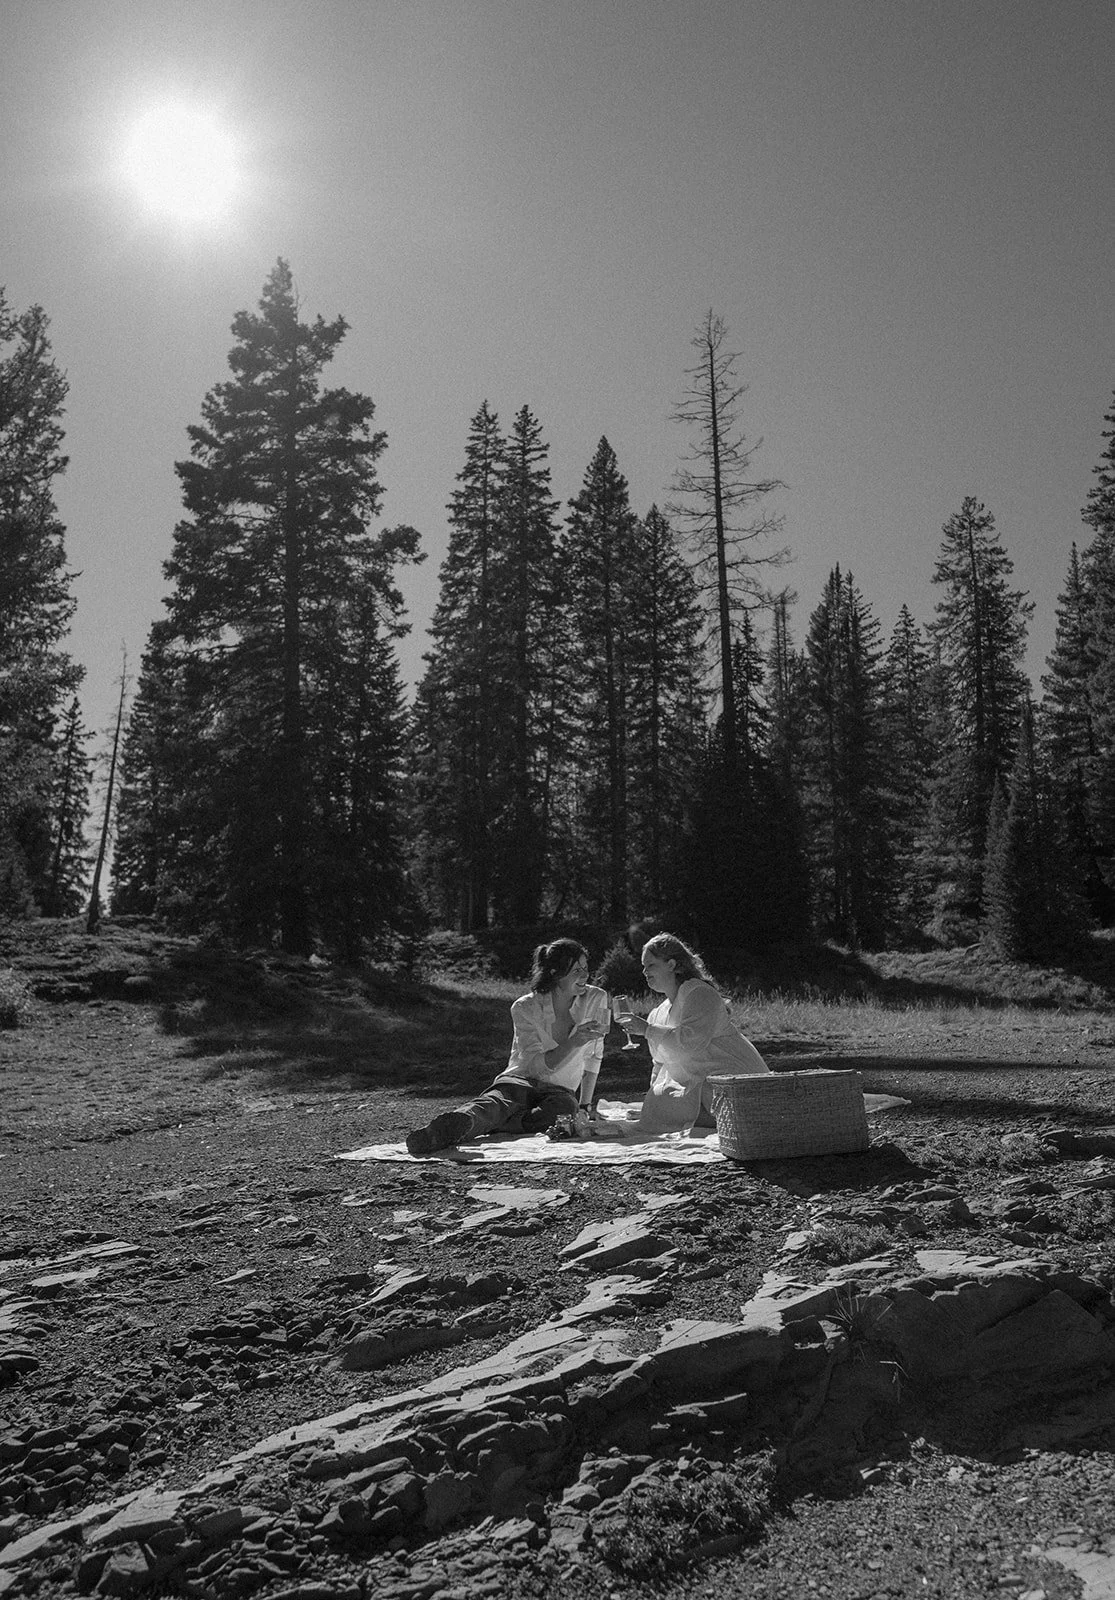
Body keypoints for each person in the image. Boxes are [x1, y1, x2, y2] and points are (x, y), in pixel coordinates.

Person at [405, 939, 609, 1155]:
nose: (585, 975)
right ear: (554, 972)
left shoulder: (596, 998)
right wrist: (573, 1042)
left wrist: (586, 1106)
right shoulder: (525, 1007)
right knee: (495, 1103)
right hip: (521, 1080)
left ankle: (497, 1123)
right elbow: (537, 1067)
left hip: (560, 1091)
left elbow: (595, 1055)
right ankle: (445, 1129)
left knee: (564, 1111)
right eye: (576, 970)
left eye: (585, 968)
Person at [617, 933, 770, 1134]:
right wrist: (651, 1104)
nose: (645, 972)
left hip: (728, 1077)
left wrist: (646, 1029)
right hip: (695, 1082)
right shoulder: (658, 1012)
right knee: (658, 1099)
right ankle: (668, 1115)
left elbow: (689, 1043)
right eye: (644, 967)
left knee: (669, 1104)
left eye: (651, 965)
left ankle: (739, 1116)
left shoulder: (699, 993)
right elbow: (660, 1063)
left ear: (671, 964)